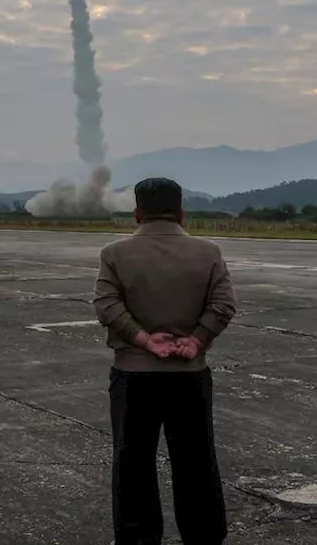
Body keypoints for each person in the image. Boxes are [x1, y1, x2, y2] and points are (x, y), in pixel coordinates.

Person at [93, 177, 237, 545]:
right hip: (189, 375)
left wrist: (142, 339)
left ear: (137, 212)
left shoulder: (114, 253)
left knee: (133, 464)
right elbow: (223, 305)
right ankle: (203, 536)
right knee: (196, 463)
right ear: (181, 213)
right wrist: (196, 340)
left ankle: (139, 537)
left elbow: (107, 306)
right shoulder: (208, 252)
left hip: (133, 374)